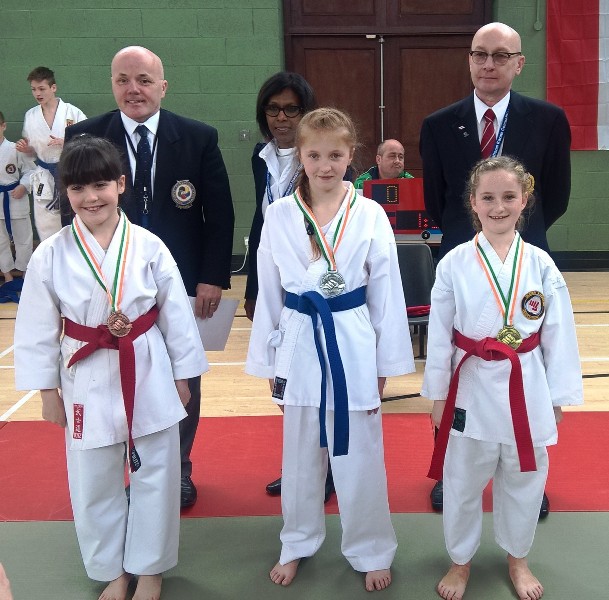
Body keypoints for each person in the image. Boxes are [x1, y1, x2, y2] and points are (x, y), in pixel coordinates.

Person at [14, 135, 207, 600]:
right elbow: (37, 328)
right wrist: (47, 393)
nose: (90, 198)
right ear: (66, 192)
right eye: (78, 188)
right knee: (93, 479)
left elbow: (176, 316)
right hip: (85, 373)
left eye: (100, 185)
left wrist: (183, 377)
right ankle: (114, 571)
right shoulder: (51, 253)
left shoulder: (148, 245)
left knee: (156, 472)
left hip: (146, 364)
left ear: (121, 184)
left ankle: (151, 569)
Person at [245, 107, 415, 591]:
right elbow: (269, 290)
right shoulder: (280, 214)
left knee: (360, 451)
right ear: (300, 156)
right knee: (300, 454)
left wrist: (385, 362)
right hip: (298, 334)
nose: (325, 165)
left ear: (351, 155)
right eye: (314, 155)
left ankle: (371, 547)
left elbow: (385, 290)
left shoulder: (370, 213)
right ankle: (297, 541)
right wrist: (269, 362)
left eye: (335, 155)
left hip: (352, 336)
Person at [64, 46, 235, 508]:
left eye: (143, 79)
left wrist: (212, 277)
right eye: (123, 80)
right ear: (112, 85)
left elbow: (219, 214)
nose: (133, 89)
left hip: (182, 281)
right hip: (109, 285)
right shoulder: (85, 135)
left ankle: (178, 469)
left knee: (183, 375)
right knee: (114, 377)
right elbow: (70, 214)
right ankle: (129, 468)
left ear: (163, 86)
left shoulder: (197, 137)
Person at [419, 22, 572, 516]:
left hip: (523, 258)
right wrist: (475, 238)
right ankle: (452, 469)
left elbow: (556, 195)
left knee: (525, 365)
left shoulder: (548, 120)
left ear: (519, 63)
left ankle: (526, 472)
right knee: (457, 360)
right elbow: (439, 199)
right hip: (465, 259)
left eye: (501, 55)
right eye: (480, 54)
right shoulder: (439, 124)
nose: (489, 64)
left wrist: (515, 234)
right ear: (469, 60)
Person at [422, 156, 582, 600]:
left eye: (508, 196)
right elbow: (440, 333)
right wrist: (438, 396)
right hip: (470, 383)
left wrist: (557, 396)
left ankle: (518, 559)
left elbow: (559, 333)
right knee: (460, 480)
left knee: (525, 479)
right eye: (488, 197)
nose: (498, 207)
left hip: (525, 384)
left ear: (524, 200)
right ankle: (460, 561)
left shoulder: (541, 264)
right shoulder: (454, 262)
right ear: (473, 202)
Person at [244, 71, 337, 500]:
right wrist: (254, 287)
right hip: (276, 279)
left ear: (306, 112)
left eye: (291, 109)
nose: (281, 118)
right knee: (288, 381)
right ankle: (302, 464)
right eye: (273, 109)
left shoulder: (321, 159)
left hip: (317, 284)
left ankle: (329, 466)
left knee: (323, 380)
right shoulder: (260, 157)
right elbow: (261, 221)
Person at [15, 66, 86, 241]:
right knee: (46, 225)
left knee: (75, 220)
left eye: (41, 88)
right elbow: (33, 153)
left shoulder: (72, 112)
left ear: (53, 87)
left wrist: (66, 141)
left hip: (70, 173)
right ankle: (51, 256)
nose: (37, 93)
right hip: (44, 176)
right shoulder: (31, 116)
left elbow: (89, 142)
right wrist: (26, 149)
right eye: (33, 89)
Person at [0, 111, 35, 301]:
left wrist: (23, 186)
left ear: (3, 126)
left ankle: (24, 274)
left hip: (16, 198)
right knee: (0, 242)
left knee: (24, 239)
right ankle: (7, 276)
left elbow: (31, 170)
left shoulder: (15, 149)